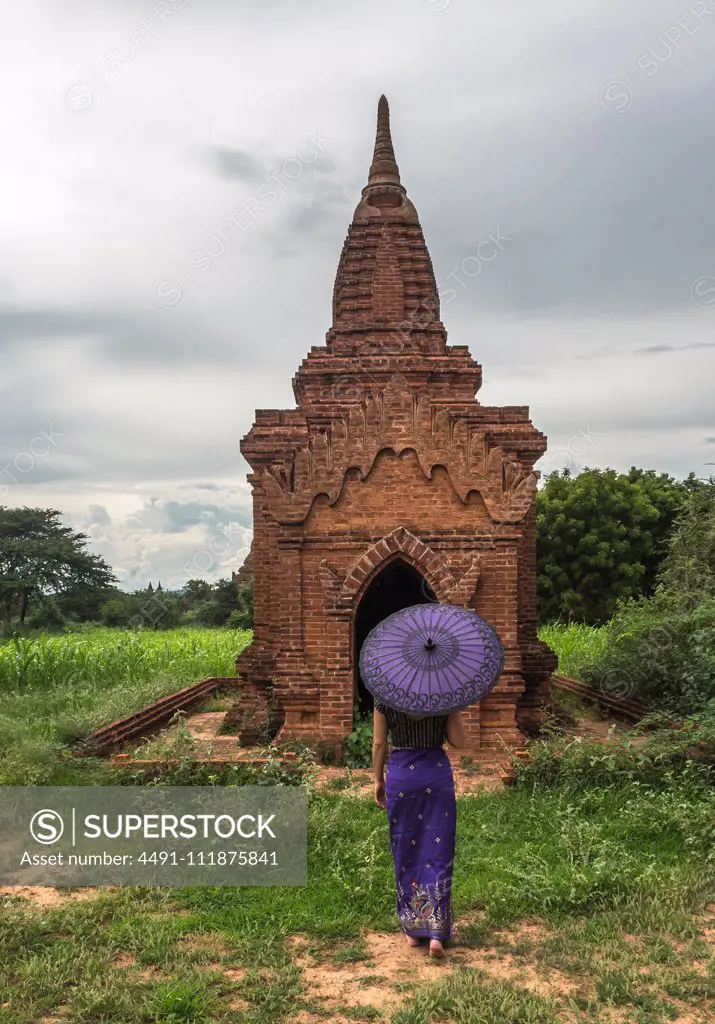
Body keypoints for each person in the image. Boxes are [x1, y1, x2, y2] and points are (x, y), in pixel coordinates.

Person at [372, 700, 465, 958]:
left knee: (406, 849)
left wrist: (379, 779)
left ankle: (414, 931)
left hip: (403, 777)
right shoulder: (443, 697)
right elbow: (458, 741)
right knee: (439, 848)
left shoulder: (385, 699)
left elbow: (379, 744)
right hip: (436, 775)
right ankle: (436, 933)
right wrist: (452, 708)